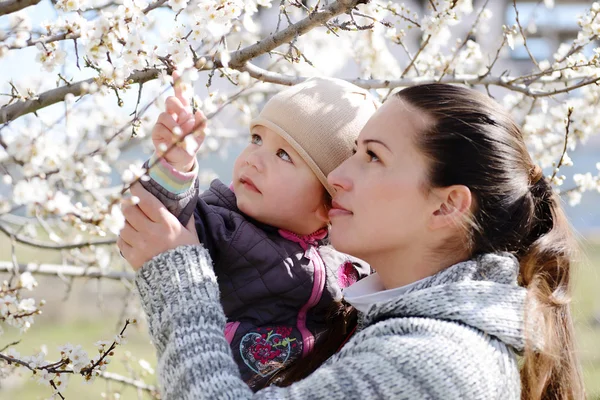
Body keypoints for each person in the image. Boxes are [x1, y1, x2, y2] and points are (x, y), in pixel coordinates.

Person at [118, 83, 585, 399]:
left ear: (445, 206)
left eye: (372, 158)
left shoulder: (431, 361)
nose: (337, 177)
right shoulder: (380, 321)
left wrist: (179, 286)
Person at [126, 76, 378, 390]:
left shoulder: (349, 253)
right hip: (217, 383)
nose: (253, 159)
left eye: (284, 154)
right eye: (257, 138)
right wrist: (175, 163)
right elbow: (163, 220)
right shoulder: (224, 222)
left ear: (329, 202)